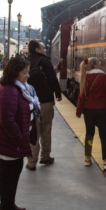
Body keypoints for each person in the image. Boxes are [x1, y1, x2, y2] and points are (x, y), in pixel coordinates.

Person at [0, 56, 39, 210]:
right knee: (8, 175)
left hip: (13, 142)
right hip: (9, 142)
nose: (27, 76)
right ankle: (7, 208)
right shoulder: (9, 90)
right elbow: (7, 120)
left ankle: (9, 204)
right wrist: (20, 139)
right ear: (15, 73)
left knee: (13, 173)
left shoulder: (18, 88)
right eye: (24, 73)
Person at [25, 39, 63, 171]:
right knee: (46, 129)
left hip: (30, 102)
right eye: (43, 48)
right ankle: (45, 156)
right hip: (45, 101)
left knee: (33, 131)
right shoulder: (45, 61)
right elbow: (52, 79)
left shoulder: (25, 62)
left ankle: (31, 162)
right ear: (37, 49)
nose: (45, 50)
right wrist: (58, 94)